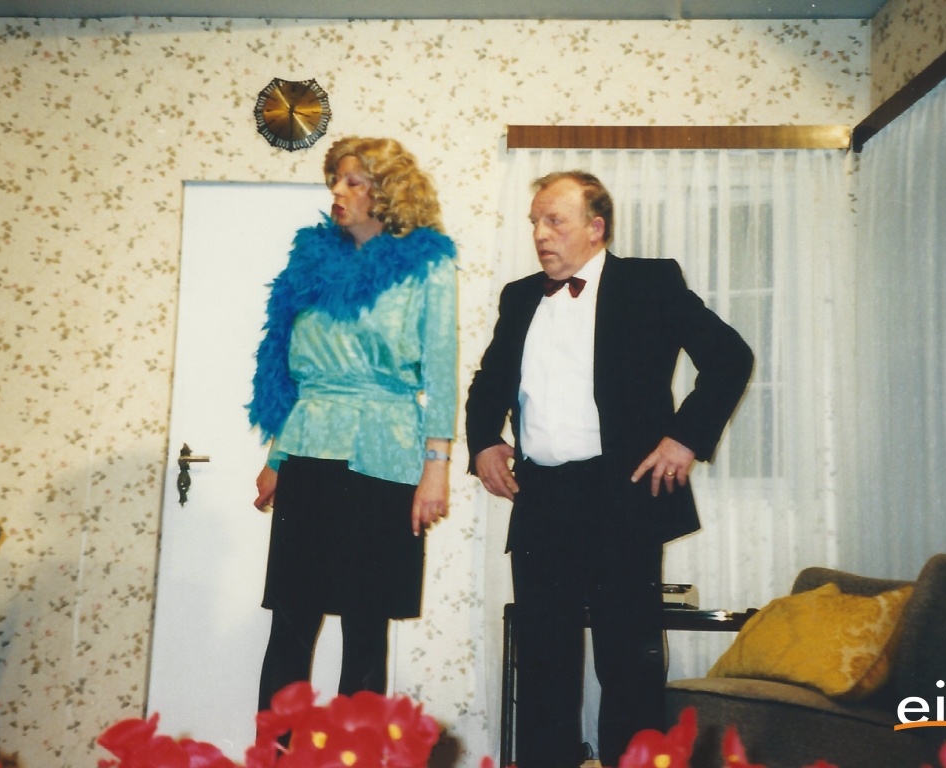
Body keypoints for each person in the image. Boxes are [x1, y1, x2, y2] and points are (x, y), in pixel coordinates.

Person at [466, 171, 753, 767]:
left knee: (627, 664)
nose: (540, 234)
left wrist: (684, 439)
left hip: (620, 497)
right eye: (535, 222)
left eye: (555, 221)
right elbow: (489, 383)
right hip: (541, 499)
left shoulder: (649, 282)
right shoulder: (519, 297)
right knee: (542, 665)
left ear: (595, 228)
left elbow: (730, 357)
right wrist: (483, 442)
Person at [248, 137, 457, 712]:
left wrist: (436, 468)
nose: (337, 192)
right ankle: (274, 752)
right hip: (308, 448)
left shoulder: (427, 265)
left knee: (366, 625)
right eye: (335, 181)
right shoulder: (310, 261)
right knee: (291, 622)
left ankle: (356, 752)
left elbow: (441, 369)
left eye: (353, 181)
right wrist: (276, 456)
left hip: (383, 454)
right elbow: (287, 369)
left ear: (386, 193)